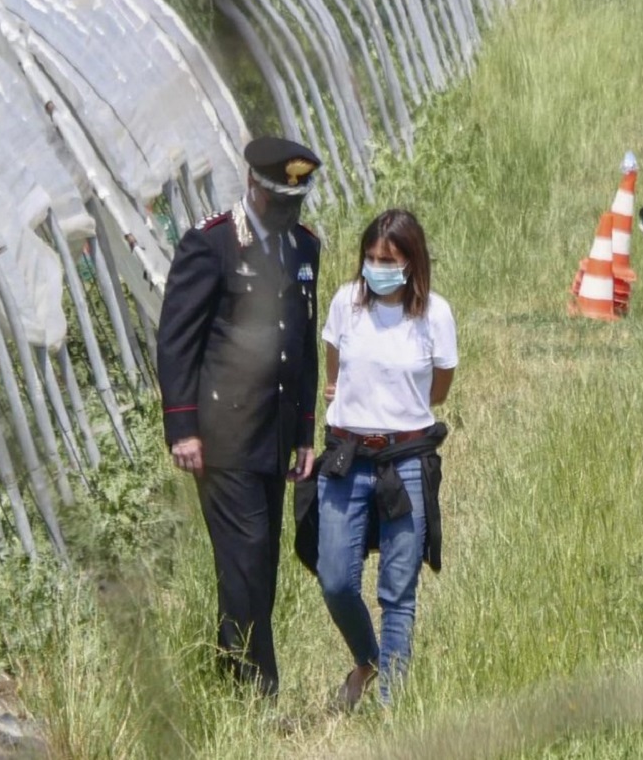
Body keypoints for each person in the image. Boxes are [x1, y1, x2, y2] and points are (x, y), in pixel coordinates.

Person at [156, 136, 322, 697]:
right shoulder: (213, 244)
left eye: (294, 202)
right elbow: (178, 341)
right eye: (278, 200)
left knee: (259, 562)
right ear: (253, 185)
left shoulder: (302, 247)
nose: (286, 213)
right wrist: (182, 427)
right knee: (247, 558)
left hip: (273, 435)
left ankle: (232, 674)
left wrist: (303, 432)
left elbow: (299, 345)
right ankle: (260, 693)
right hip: (223, 437)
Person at [317, 208, 457, 710]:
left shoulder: (434, 315)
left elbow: (437, 390)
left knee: (398, 591)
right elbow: (334, 372)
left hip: (405, 462)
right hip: (346, 458)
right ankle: (367, 659)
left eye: (389, 260)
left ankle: (391, 708)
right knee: (335, 578)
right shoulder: (345, 304)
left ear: (411, 263)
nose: (378, 267)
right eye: (371, 258)